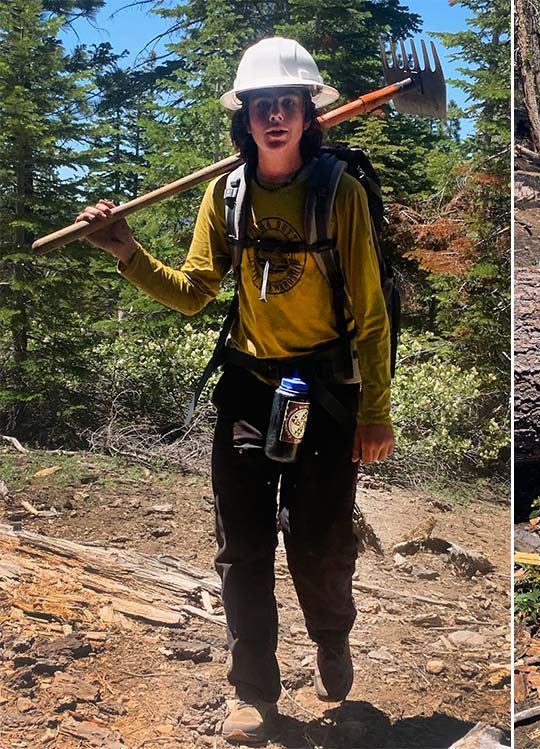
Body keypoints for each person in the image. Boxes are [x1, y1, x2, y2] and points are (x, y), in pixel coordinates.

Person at [74, 37, 395, 744]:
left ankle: (331, 639)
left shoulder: (339, 194)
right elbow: (193, 292)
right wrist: (127, 250)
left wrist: (377, 411)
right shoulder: (228, 195)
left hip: (328, 395)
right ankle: (253, 692)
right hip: (250, 392)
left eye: (287, 104)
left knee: (317, 544)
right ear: (245, 119)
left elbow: (370, 315)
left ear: (309, 115)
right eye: (261, 107)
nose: (274, 116)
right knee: (242, 548)